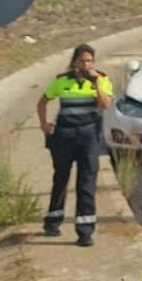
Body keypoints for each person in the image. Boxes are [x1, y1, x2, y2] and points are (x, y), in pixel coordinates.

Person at [37, 43, 112, 246]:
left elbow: (105, 105)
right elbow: (42, 101)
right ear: (74, 62)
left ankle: (85, 232)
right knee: (61, 178)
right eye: (82, 60)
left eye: (89, 61)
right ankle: (52, 222)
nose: (86, 64)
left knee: (86, 183)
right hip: (64, 136)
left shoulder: (102, 80)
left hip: (89, 138)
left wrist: (96, 84)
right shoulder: (62, 81)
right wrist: (44, 124)